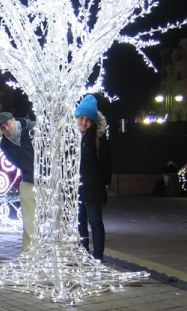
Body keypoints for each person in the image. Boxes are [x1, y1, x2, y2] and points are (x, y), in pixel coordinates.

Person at [75, 95, 111, 261]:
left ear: (93, 122)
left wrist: (104, 185)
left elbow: (107, 164)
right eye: (81, 118)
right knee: (80, 222)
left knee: (95, 221)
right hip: (76, 187)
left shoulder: (98, 138)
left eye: (87, 120)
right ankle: (83, 254)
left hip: (94, 187)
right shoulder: (72, 137)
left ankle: (98, 258)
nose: (83, 122)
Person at [0, 111, 36, 251]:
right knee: (29, 223)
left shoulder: (33, 129)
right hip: (29, 180)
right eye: (2, 128)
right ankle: (28, 256)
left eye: (7, 124)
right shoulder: (5, 145)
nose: (7, 128)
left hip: (49, 179)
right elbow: (17, 162)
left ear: (13, 119)